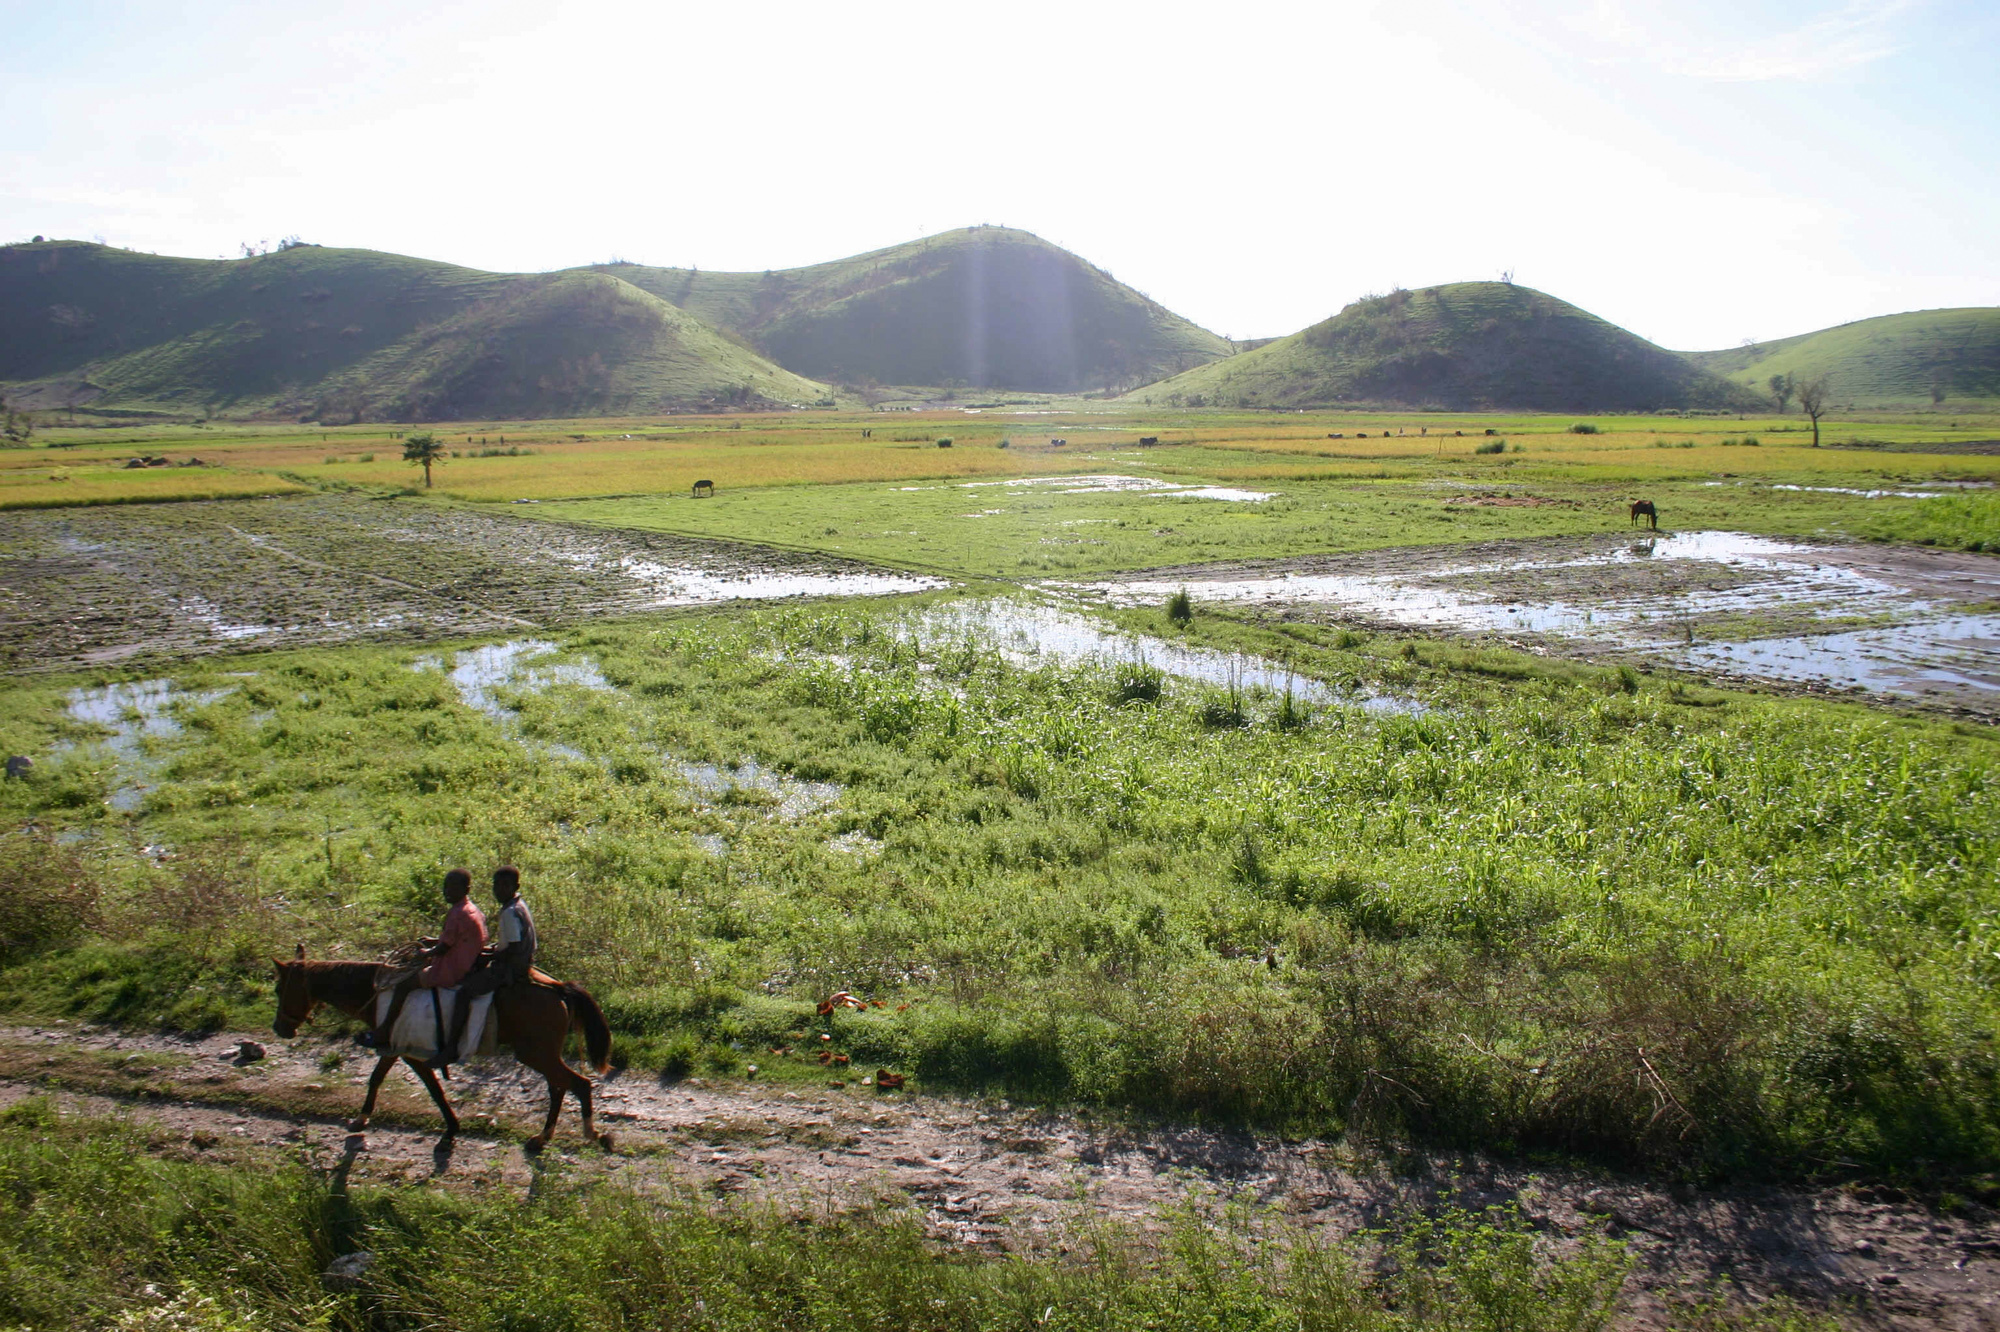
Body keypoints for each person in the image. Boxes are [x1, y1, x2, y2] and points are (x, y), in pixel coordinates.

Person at [358, 868, 488, 1051]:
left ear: (465, 889)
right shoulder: (473, 910)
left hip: (451, 970)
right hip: (467, 963)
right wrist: (433, 941)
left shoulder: (457, 914)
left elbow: (444, 948)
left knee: (404, 983)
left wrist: (425, 953)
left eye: (452, 888)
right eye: (445, 887)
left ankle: (383, 1031)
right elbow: (456, 939)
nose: (447, 892)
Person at [440, 866, 537, 1062]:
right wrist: (492, 950)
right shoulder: (519, 905)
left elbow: (514, 948)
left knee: (464, 993)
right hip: (520, 961)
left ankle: (451, 1047)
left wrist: (489, 957)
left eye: (505, 886)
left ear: (515, 886)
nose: (499, 890)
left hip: (509, 968)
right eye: (496, 885)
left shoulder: (510, 912)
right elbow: (508, 943)